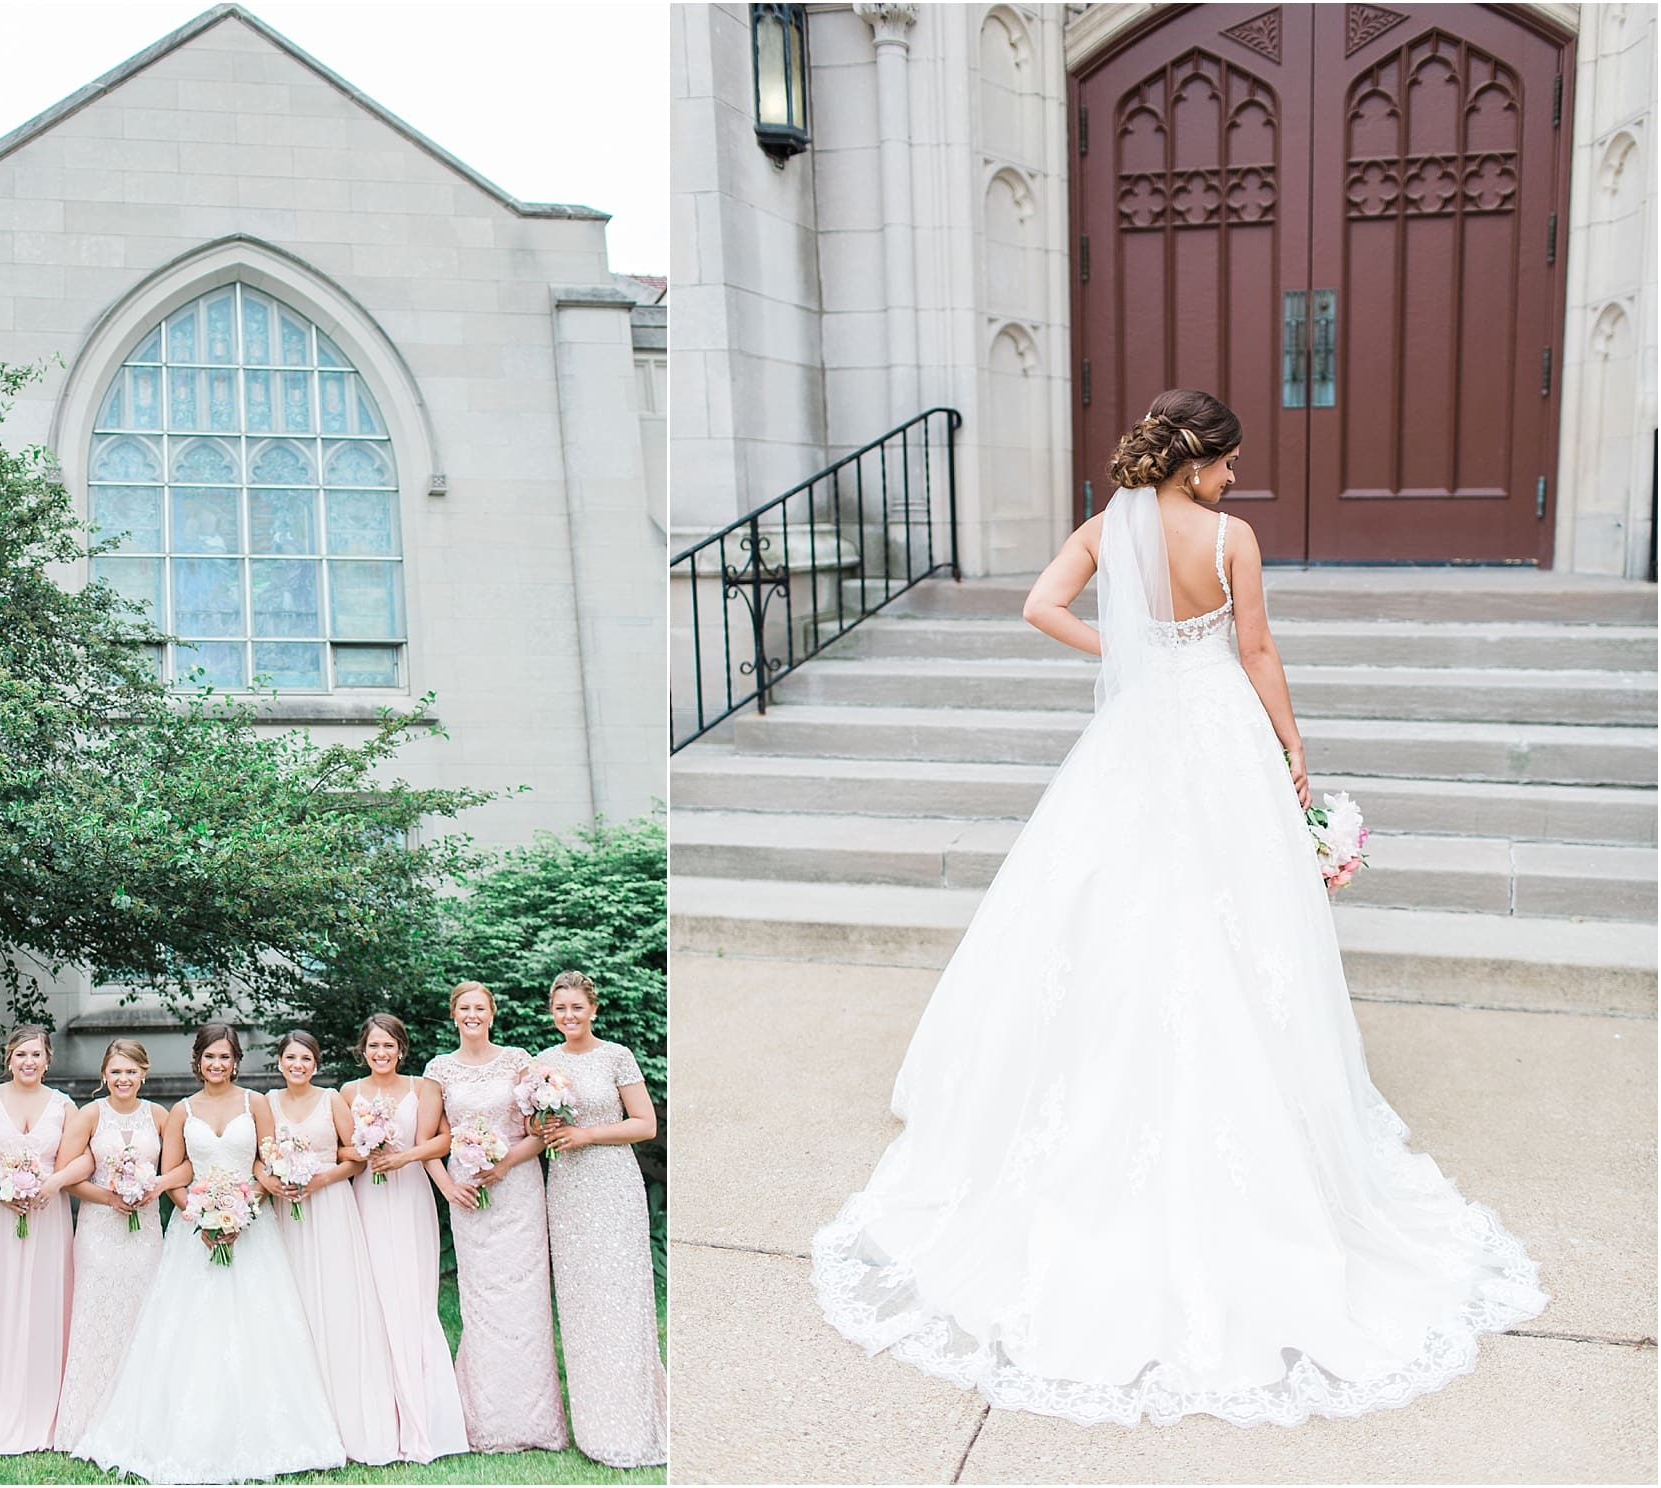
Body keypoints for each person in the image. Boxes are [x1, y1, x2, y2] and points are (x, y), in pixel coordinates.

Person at [810, 388, 1549, 1426]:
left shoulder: (1107, 528)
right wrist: (1295, 752)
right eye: (1230, 461)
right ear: (1197, 460)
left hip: (1140, 730)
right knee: (1233, 919)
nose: (1237, 479)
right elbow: (1254, 651)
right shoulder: (1232, 537)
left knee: (1109, 908)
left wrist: (1124, 651)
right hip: (1219, 737)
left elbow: (1038, 608)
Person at [72, 1023, 346, 1482]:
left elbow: (265, 1162)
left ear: (235, 1061)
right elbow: (175, 1172)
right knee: (190, 1329)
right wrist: (200, 1215)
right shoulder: (181, 1111)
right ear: (197, 1061)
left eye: (224, 1057)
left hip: (251, 1228)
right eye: (209, 1057)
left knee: (260, 1327)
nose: (216, 1065)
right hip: (194, 1232)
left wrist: (241, 1211)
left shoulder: (254, 1103)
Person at [423, 983, 569, 1453]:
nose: (472, 1015)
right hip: (469, 1195)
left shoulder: (517, 1060)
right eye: (464, 1008)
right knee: (482, 1300)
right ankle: (485, 1419)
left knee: (525, 1298)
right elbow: (431, 1142)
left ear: (492, 1013)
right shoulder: (438, 1070)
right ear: (454, 1015)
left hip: (519, 1187)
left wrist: (504, 1163)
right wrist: (450, 1188)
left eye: (480, 1008)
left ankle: (534, 1421)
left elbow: (537, 1133)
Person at [532, 971, 667, 1468]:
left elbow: (645, 1124)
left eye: (577, 1008)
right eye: (560, 1008)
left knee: (620, 1297)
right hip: (566, 1190)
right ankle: (593, 1425)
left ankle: (632, 1422)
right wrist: (540, 1121)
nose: (568, 1016)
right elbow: (534, 1124)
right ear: (552, 1011)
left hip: (611, 1184)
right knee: (583, 1301)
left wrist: (586, 1135)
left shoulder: (616, 1056)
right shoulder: (542, 1063)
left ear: (593, 1009)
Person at [262, 1029, 401, 1465]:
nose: (297, 1065)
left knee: (336, 1299)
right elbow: (259, 1155)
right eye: (290, 1059)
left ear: (315, 1063)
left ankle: (346, 1413)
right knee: (294, 1302)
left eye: (305, 1058)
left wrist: (320, 1176)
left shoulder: (332, 1100)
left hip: (329, 1207)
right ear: (280, 1064)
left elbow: (355, 1154)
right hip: (287, 1209)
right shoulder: (266, 1102)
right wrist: (276, 1179)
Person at [0, 1025, 77, 1459]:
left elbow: (79, 1159)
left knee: (44, 1306)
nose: (28, 1061)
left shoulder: (64, 1106)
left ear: (47, 1060)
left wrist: (52, 1184)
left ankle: (44, 1413)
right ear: (9, 1058)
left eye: (36, 1055)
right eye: (21, 1054)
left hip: (47, 1216)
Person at [350, 1013, 470, 1462]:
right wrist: (365, 1149)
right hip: (369, 1198)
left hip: (412, 1195)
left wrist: (403, 1158)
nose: (381, 1054)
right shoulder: (348, 1093)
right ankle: (381, 1419)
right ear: (363, 1050)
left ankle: (429, 1416)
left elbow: (445, 1140)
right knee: (376, 1296)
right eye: (374, 1046)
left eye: (389, 1046)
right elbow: (343, 1147)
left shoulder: (423, 1088)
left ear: (402, 1050)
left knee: (415, 1297)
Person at [51, 1039, 168, 1452]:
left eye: (131, 1071)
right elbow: (67, 1174)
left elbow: (180, 1166)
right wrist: (110, 1197)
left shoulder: (158, 1115)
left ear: (144, 1073)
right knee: (96, 1316)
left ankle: (143, 1416)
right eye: (116, 1071)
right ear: (105, 1075)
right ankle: (88, 1416)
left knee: (143, 1315)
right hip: (100, 1229)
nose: (123, 1079)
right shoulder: (89, 1115)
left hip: (145, 1230)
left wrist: (153, 1187)